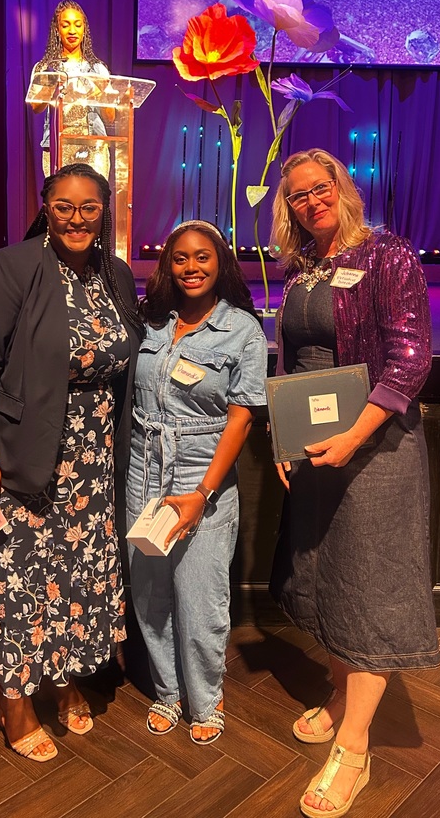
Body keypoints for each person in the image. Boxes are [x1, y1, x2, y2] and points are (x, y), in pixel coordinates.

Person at [0, 162, 142, 762]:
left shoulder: (117, 274)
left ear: (106, 210)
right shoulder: (12, 267)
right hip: (21, 455)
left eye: (90, 207)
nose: (77, 218)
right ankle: (15, 699)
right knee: (16, 580)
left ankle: (62, 674)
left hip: (92, 459)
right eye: (64, 206)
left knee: (72, 579)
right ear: (46, 209)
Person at [268, 149, 440, 816]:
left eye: (321, 189)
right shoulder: (303, 266)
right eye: (299, 196)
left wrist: (355, 435)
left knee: (368, 584)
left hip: (373, 448)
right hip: (316, 446)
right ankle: (340, 694)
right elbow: (294, 357)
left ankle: (354, 748)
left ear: (343, 189)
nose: (312, 202)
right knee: (329, 577)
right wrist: (284, 438)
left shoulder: (386, 255)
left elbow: (409, 357)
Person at [126, 220, 268, 744]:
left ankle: (206, 699)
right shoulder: (150, 324)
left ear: (221, 262)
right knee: (150, 593)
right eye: (180, 258)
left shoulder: (242, 330)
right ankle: (167, 691)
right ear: (167, 265)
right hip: (144, 469)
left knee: (200, 597)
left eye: (202, 257)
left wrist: (203, 492)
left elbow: (242, 416)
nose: (191, 268)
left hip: (200, 473)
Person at [29, 0, 111, 178]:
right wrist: (52, 84)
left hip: (93, 147)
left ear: (84, 30)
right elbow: (36, 107)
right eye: (65, 25)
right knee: (61, 202)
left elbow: (111, 116)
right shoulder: (45, 68)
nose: (72, 30)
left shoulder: (98, 69)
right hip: (59, 147)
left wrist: (102, 92)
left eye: (77, 25)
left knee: (93, 202)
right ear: (57, 30)